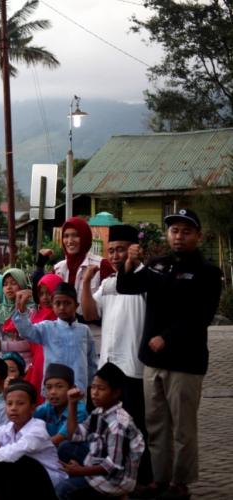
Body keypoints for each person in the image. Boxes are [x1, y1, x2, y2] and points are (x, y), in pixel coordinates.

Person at [117, 208, 222, 500]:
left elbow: (200, 315)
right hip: (153, 361)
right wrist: (129, 263)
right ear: (167, 234)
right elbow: (127, 287)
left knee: (183, 429)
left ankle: (181, 483)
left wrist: (167, 337)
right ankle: (160, 480)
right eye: (174, 230)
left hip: (186, 362)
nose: (179, 236)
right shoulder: (157, 265)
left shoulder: (208, 272)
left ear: (198, 236)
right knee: (156, 425)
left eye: (186, 231)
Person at [80, 224, 153, 489]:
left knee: (135, 429)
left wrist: (136, 263)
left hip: (133, 368)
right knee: (107, 426)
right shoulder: (109, 284)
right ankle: (111, 477)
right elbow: (89, 314)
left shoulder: (146, 281)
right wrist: (87, 282)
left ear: (133, 250)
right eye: (111, 250)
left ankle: (142, 482)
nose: (114, 255)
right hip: (108, 367)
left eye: (120, 249)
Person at [57, 362, 145, 499]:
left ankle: (116, 495)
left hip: (115, 480)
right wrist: (72, 404)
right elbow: (74, 436)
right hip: (100, 460)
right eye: (93, 387)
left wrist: (81, 471)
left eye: (101, 389)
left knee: (62, 489)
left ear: (116, 393)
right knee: (65, 448)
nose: (94, 393)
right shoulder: (98, 412)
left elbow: (113, 465)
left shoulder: (118, 424)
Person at [11, 284, 97, 393]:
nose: (62, 307)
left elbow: (91, 362)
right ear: (52, 305)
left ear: (76, 305)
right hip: (53, 391)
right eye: (58, 303)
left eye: (67, 303)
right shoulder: (47, 327)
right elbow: (27, 332)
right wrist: (21, 313)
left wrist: (90, 385)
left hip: (78, 389)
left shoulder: (84, 331)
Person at [50, 217, 113, 318]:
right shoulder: (58, 269)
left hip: (94, 331)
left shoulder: (101, 265)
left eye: (75, 235)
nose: (70, 241)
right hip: (63, 331)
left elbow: (112, 304)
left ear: (85, 237)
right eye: (66, 236)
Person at [0, 268, 37, 372]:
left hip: (25, 365)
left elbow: (30, 342)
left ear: (21, 284)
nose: (8, 287)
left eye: (13, 283)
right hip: (4, 364)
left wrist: (3, 345)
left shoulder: (31, 309)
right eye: (5, 284)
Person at [28, 273, 64, 401]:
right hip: (37, 365)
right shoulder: (37, 315)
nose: (45, 297)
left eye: (49, 292)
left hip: (54, 366)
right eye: (41, 293)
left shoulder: (62, 317)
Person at [34, 363, 87, 446]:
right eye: (49, 387)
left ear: (72, 388)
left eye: (59, 386)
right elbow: (27, 418)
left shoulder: (79, 409)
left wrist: (31, 447)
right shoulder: (47, 407)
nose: (53, 392)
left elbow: (58, 439)